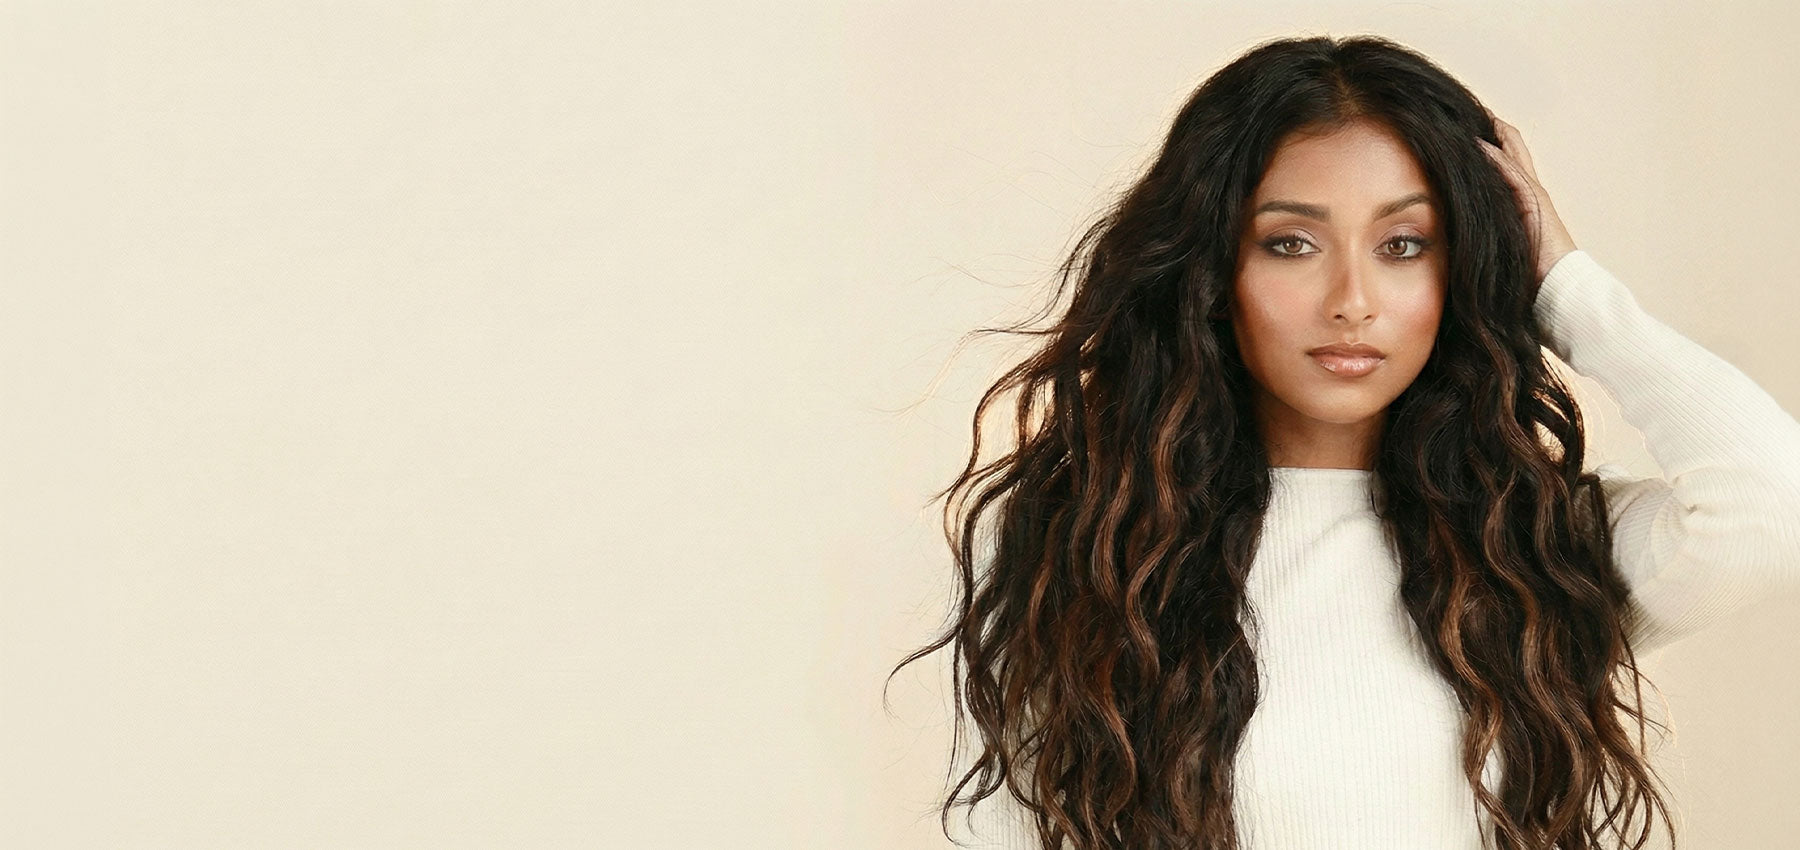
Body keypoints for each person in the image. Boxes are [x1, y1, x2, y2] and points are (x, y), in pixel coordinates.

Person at [887, 34, 1800, 850]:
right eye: (1291, 244)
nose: (1351, 300)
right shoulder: (1082, 543)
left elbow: (1767, 505)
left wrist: (1562, 281)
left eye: (1405, 245)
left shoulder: (1535, 546)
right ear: (1211, 268)